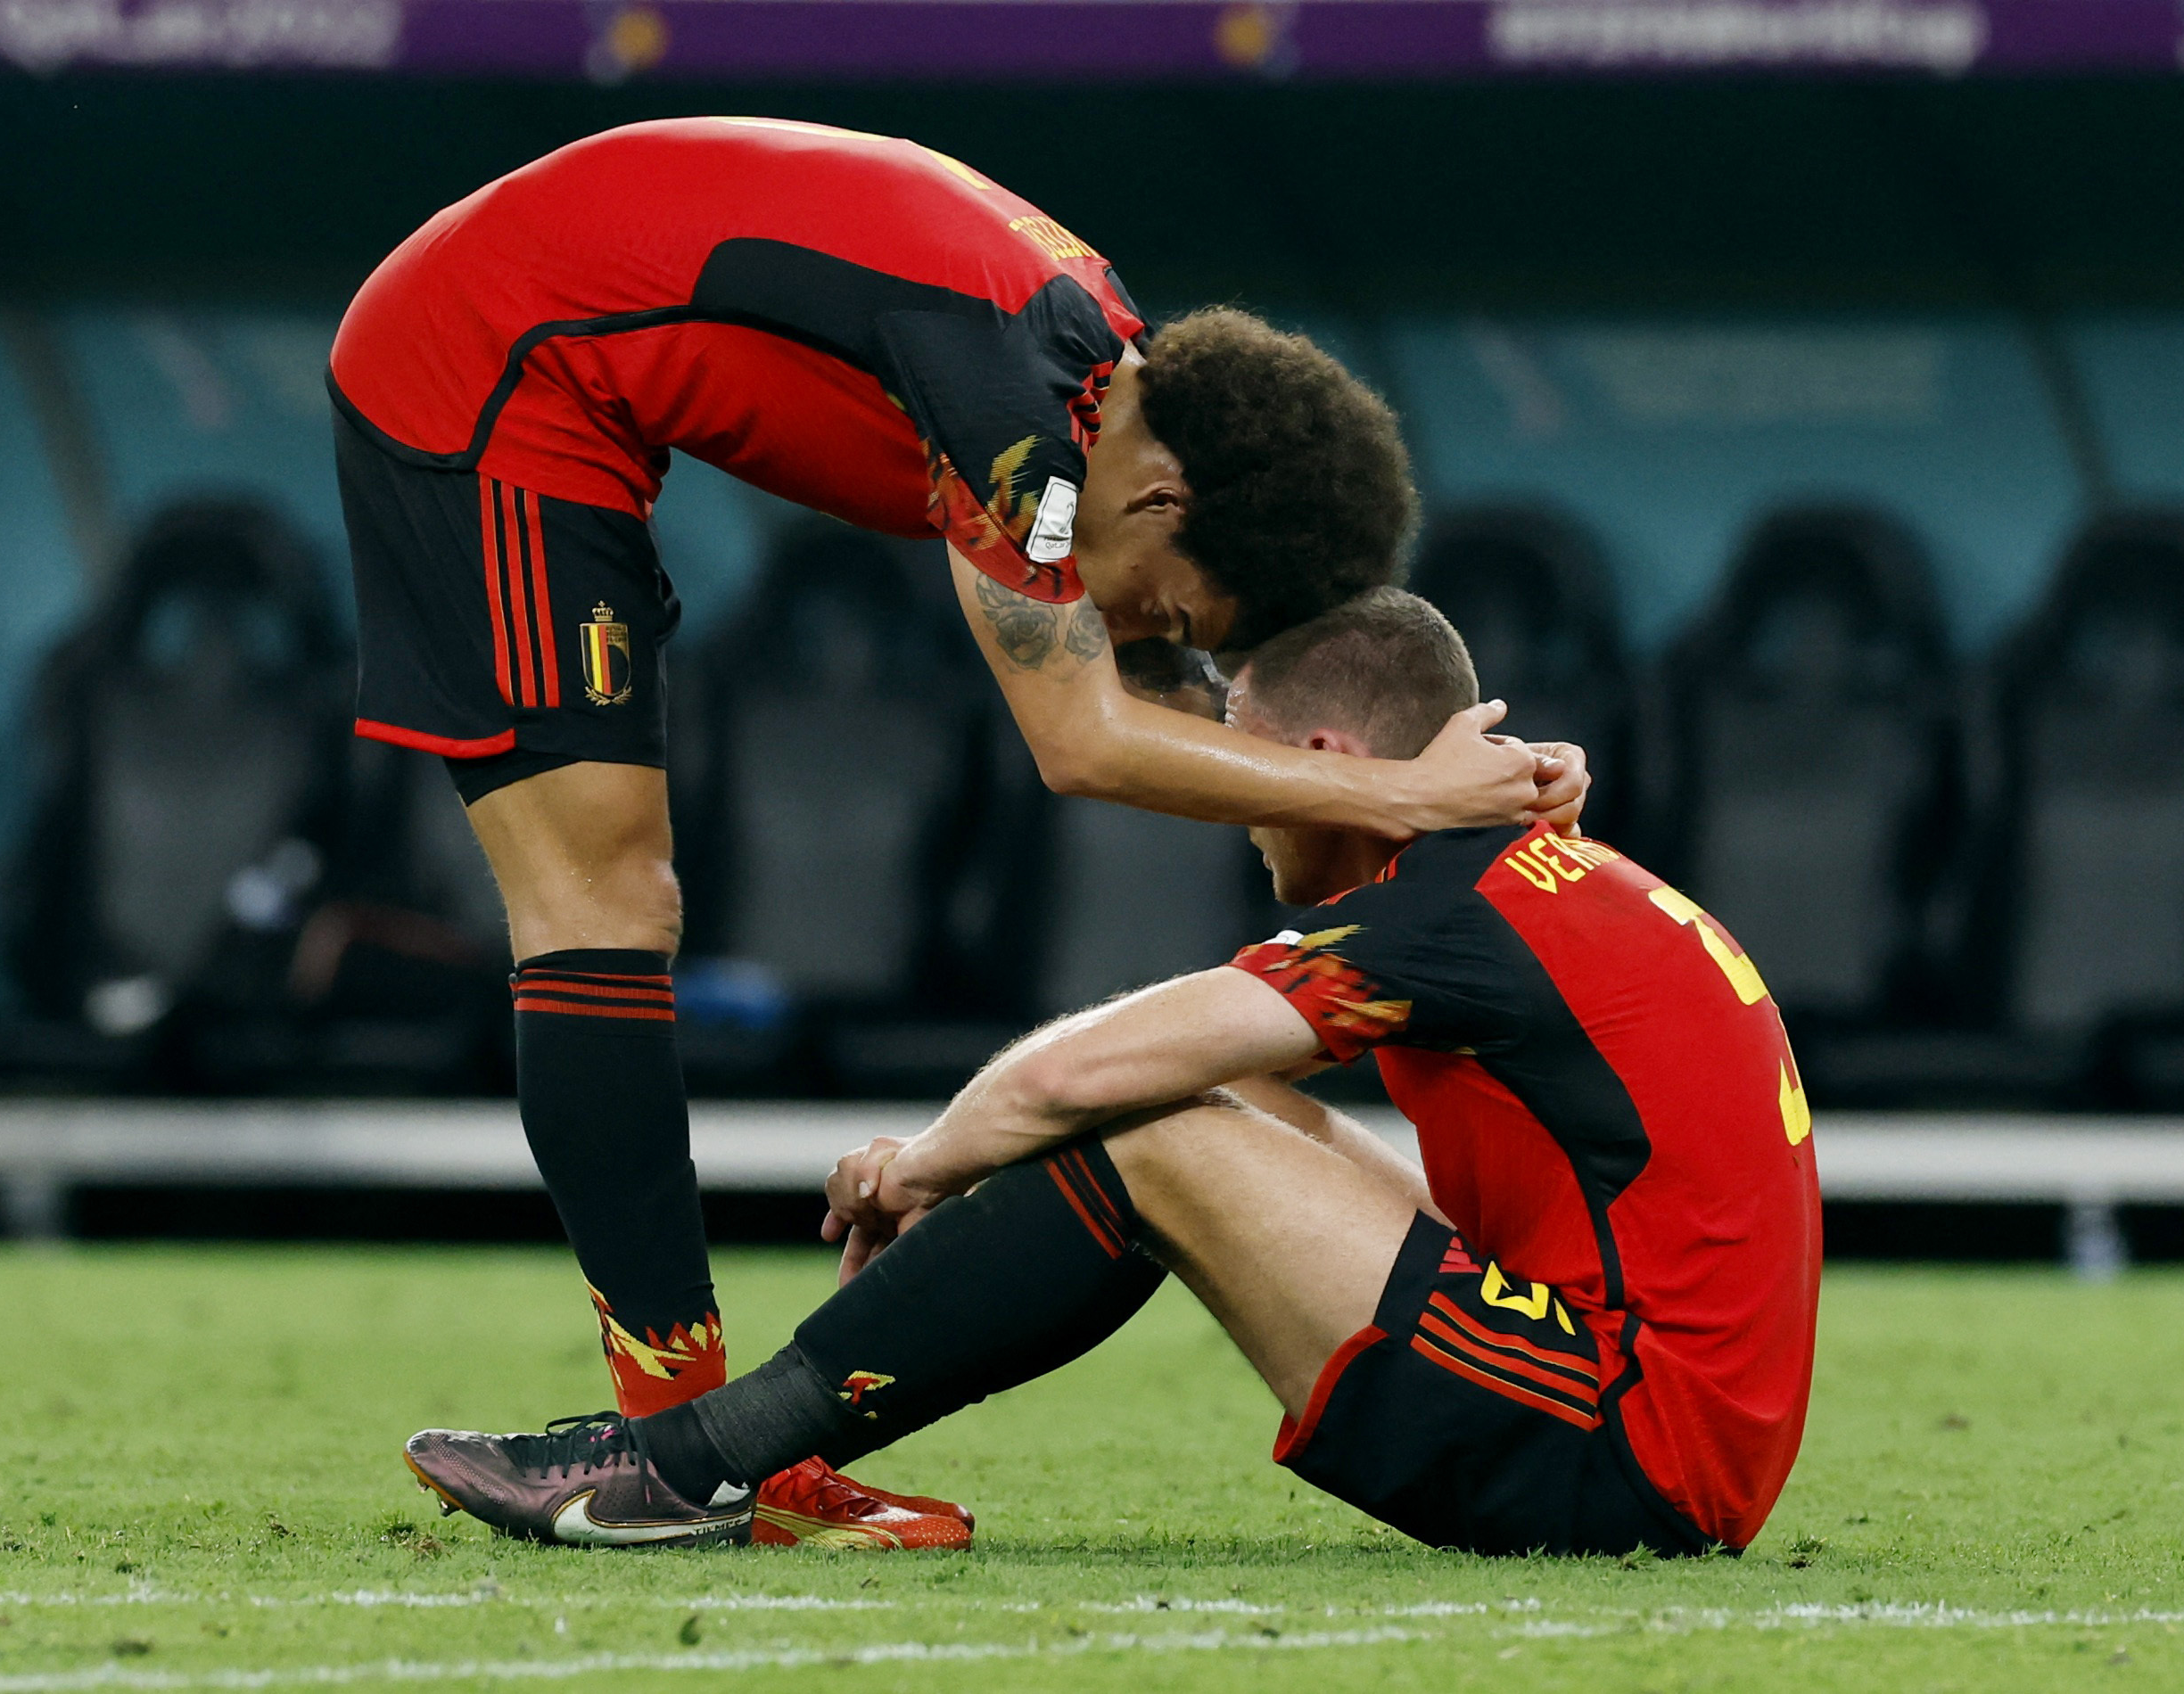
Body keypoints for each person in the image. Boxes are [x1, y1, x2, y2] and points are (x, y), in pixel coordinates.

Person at [335, 117, 1590, 1549]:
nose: (1142, 632)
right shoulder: (1022, 422)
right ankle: (692, 1462)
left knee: (624, 894)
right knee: (602, 899)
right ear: (1164, 501)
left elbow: (1180, 707)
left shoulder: (1110, 399)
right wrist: (1409, 798)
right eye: (1168, 607)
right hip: (488, 357)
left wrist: (1427, 776)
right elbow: (1084, 740)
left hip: (569, 358)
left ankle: (704, 1462)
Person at [403, 588, 1819, 1557]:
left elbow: (1081, 1078)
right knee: (1212, 1106)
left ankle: (691, 1462)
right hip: (1649, 1416)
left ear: (1328, 759)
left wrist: (927, 1164)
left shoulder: (1451, 909)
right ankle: (745, 1459)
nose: (1234, 802)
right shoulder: (1526, 876)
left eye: (1244, 761)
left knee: (1155, 1131)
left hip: (1627, 1449)